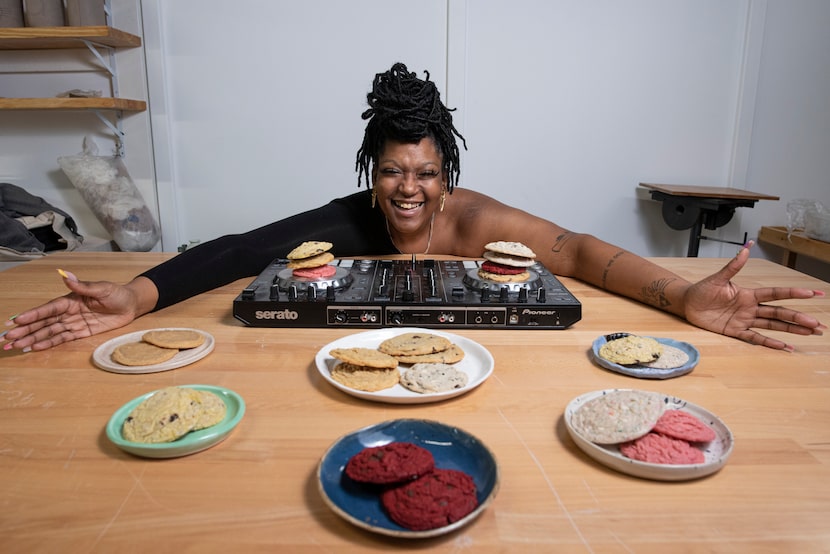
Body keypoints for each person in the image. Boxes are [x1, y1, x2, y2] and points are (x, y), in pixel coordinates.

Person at [2, 63, 825, 353]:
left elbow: (575, 251)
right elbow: (238, 248)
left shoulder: (474, 220)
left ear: (447, 173)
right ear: (373, 172)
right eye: (393, 171)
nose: (408, 190)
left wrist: (683, 295)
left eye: (425, 174)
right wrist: (135, 296)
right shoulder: (352, 217)